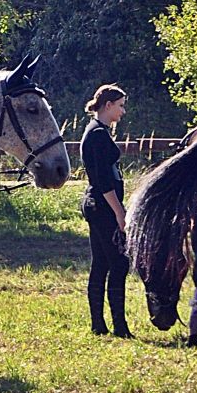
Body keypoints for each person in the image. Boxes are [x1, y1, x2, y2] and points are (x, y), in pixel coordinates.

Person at [80, 84, 132, 337]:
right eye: (120, 105)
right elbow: (102, 181)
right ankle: (119, 327)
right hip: (102, 206)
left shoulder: (98, 131)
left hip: (98, 205)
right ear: (108, 105)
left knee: (101, 263)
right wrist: (119, 213)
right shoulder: (98, 134)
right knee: (118, 264)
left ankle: (99, 325)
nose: (123, 111)